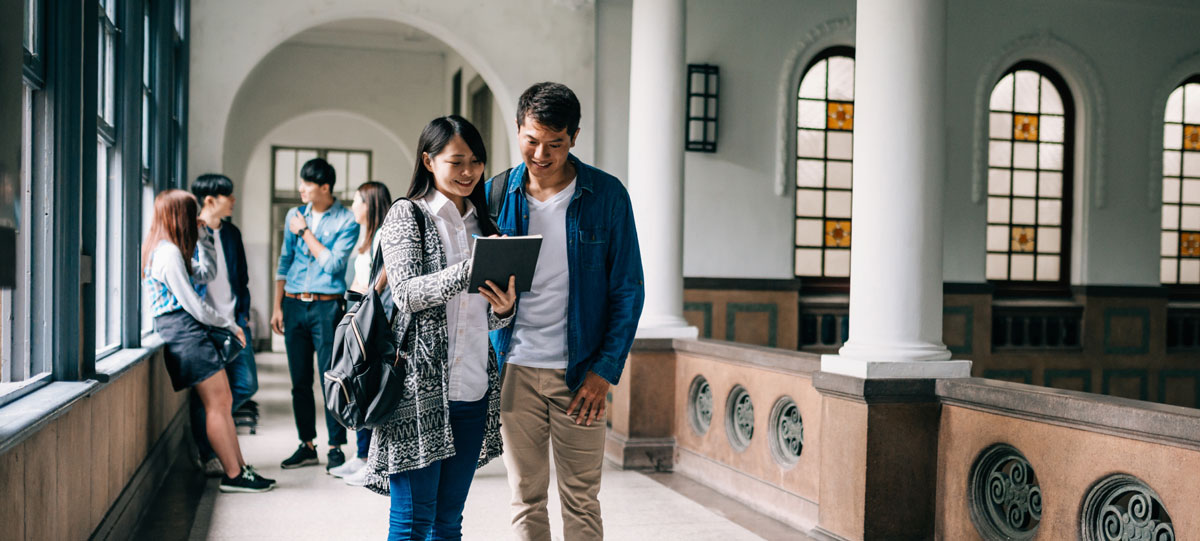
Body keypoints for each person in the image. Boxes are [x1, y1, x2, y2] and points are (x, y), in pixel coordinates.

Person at [487, 82, 645, 541]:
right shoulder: (497, 193)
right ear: (518, 129)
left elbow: (629, 291)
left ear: (574, 137)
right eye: (531, 140)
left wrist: (604, 373)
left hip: (581, 376)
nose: (540, 154)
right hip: (515, 367)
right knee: (525, 497)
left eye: (554, 144)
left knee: (580, 499)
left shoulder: (607, 196)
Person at [362, 115, 517, 540]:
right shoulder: (406, 215)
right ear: (429, 161)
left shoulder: (484, 224)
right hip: (416, 390)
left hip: (471, 388)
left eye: (476, 162)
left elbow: (478, 315)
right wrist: (471, 269)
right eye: (456, 162)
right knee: (412, 524)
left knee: (448, 523)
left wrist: (503, 310)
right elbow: (409, 294)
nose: (468, 172)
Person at [142, 189, 275, 493]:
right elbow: (192, 304)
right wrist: (230, 325)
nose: (196, 218)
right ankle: (232, 474)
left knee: (223, 402)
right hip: (183, 331)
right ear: (180, 216)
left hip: (186, 330)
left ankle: (239, 468)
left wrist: (204, 239)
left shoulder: (169, 249)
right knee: (217, 404)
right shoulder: (168, 253)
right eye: (191, 213)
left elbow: (204, 274)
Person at [271, 157, 361, 472]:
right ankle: (307, 444)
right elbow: (284, 261)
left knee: (330, 378)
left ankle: (336, 446)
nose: (301, 189)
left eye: (307, 184)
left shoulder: (347, 221)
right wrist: (276, 305)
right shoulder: (294, 215)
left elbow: (334, 265)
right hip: (294, 303)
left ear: (325, 187)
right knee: (299, 380)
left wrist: (306, 232)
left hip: (326, 306)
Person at [189, 173, 260, 477]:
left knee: (245, 385)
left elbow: (240, 278)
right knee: (207, 397)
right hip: (205, 328)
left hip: (234, 323)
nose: (232, 200)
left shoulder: (231, 233)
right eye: (227, 196)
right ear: (209, 200)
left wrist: (241, 315)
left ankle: (217, 432)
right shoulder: (189, 234)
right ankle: (209, 453)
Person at [329, 180, 392, 486]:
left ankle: (370, 460)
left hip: (369, 321)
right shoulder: (365, 236)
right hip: (358, 316)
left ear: (371, 204)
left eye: (357, 201)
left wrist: (365, 301)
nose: (352, 206)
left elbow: (380, 281)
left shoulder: (383, 235)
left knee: (365, 384)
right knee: (356, 384)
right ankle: (362, 455)